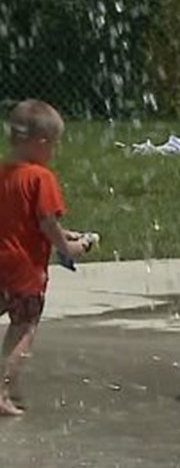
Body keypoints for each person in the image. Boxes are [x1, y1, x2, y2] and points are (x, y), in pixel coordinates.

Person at [0, 100, 94, 416]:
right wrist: (67, 247)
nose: (54, 152)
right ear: (40, 142)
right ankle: (1, 391)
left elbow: (22, 219)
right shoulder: (41, 177)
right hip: (24, 272)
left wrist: (62, 233)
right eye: (53, 145)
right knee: (24, 327)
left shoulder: (3, 173)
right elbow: (45, 222)